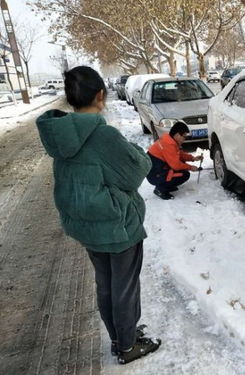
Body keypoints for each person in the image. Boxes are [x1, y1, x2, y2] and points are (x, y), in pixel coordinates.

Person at [35, 66, 161, 365]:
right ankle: (128, 345)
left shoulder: (61, 135)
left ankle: (119, 336)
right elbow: (136, 171)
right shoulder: (102, 134)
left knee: (106, 284)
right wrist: (136, 152)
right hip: (117, 225)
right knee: (124, 287)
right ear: (100, 95)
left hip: (89, 225)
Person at [146, 122, 203, 200]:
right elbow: (175, 165)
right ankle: (160, 189)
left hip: (157, 169)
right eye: (184, 136)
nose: (185, 139)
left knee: (182, 166)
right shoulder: (168, 144)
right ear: (177, 135)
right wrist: (190, 167)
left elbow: (179, 154)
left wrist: (192, 158)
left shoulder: (169, 140)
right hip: (154, 174)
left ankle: (167, 185)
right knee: (184, 174)